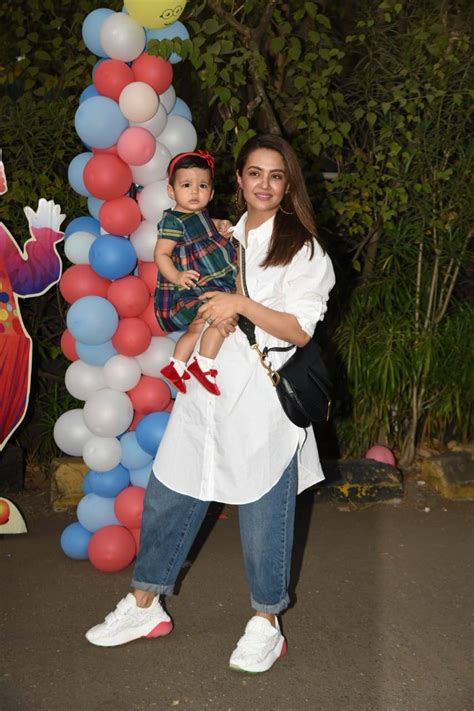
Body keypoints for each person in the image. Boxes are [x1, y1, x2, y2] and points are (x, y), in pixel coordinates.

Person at [85, 134, 336, 675]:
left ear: (288, 183)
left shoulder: (304, 249)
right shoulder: (222, 230)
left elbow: (299, 330)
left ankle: (266, 623)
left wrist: (240, 303)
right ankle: (146, 605)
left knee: (264, 512)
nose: (264, 184)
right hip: (206, 387)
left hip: (262, 397)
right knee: (171, 491)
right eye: (253, 173)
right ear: (240, 180)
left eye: (275, 175)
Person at [155, 150, 237, 396]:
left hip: (212, 277)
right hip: (201, 281)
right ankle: (204, 364)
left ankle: (176, 366)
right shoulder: (172, 221)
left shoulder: (201, 215)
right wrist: (177, 277)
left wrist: (221, 224)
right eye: (186, 185)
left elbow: (206, 228)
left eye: (202, 186)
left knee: (196, 326)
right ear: (172, 191)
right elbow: (161, 254)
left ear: (211, 193)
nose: (194, 192)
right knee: (222, 318)